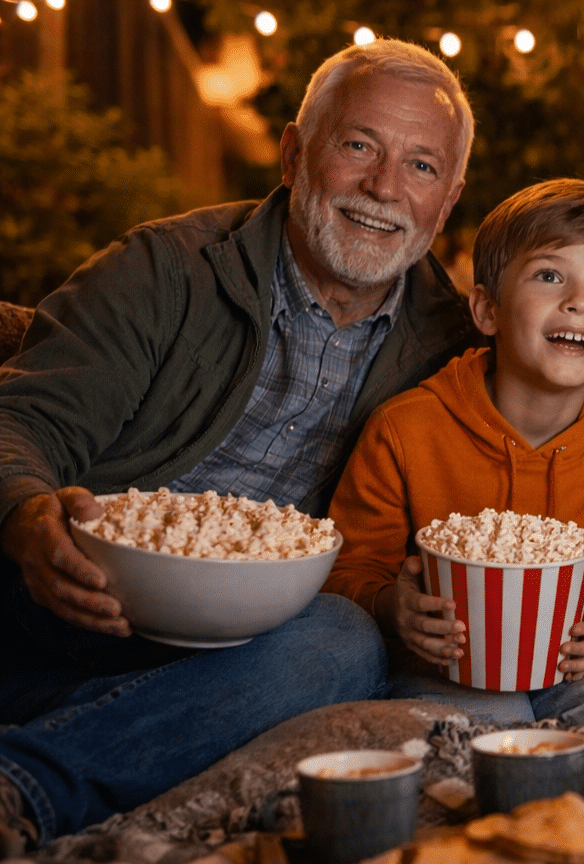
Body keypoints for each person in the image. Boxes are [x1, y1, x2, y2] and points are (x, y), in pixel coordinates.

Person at [0, 39, 480, 850]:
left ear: (449, 199)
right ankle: (113, 732)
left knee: (344, 642)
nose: (384, 187)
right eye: (358, 145)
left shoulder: (453, 348)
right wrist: (23, 517)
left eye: (422, 166)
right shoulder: (164, 268)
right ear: (295, 155)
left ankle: (25, 782)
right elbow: (23, 418)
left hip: (241, 659)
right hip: (69, 601)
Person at [324, 178, 584, 725]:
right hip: (442, 662)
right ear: (487, 310)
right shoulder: (405, 428)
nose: (579, 302)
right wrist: (395, 607)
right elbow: (348, 569)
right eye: (549, 275)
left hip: (573, 667)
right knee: (490, 718)